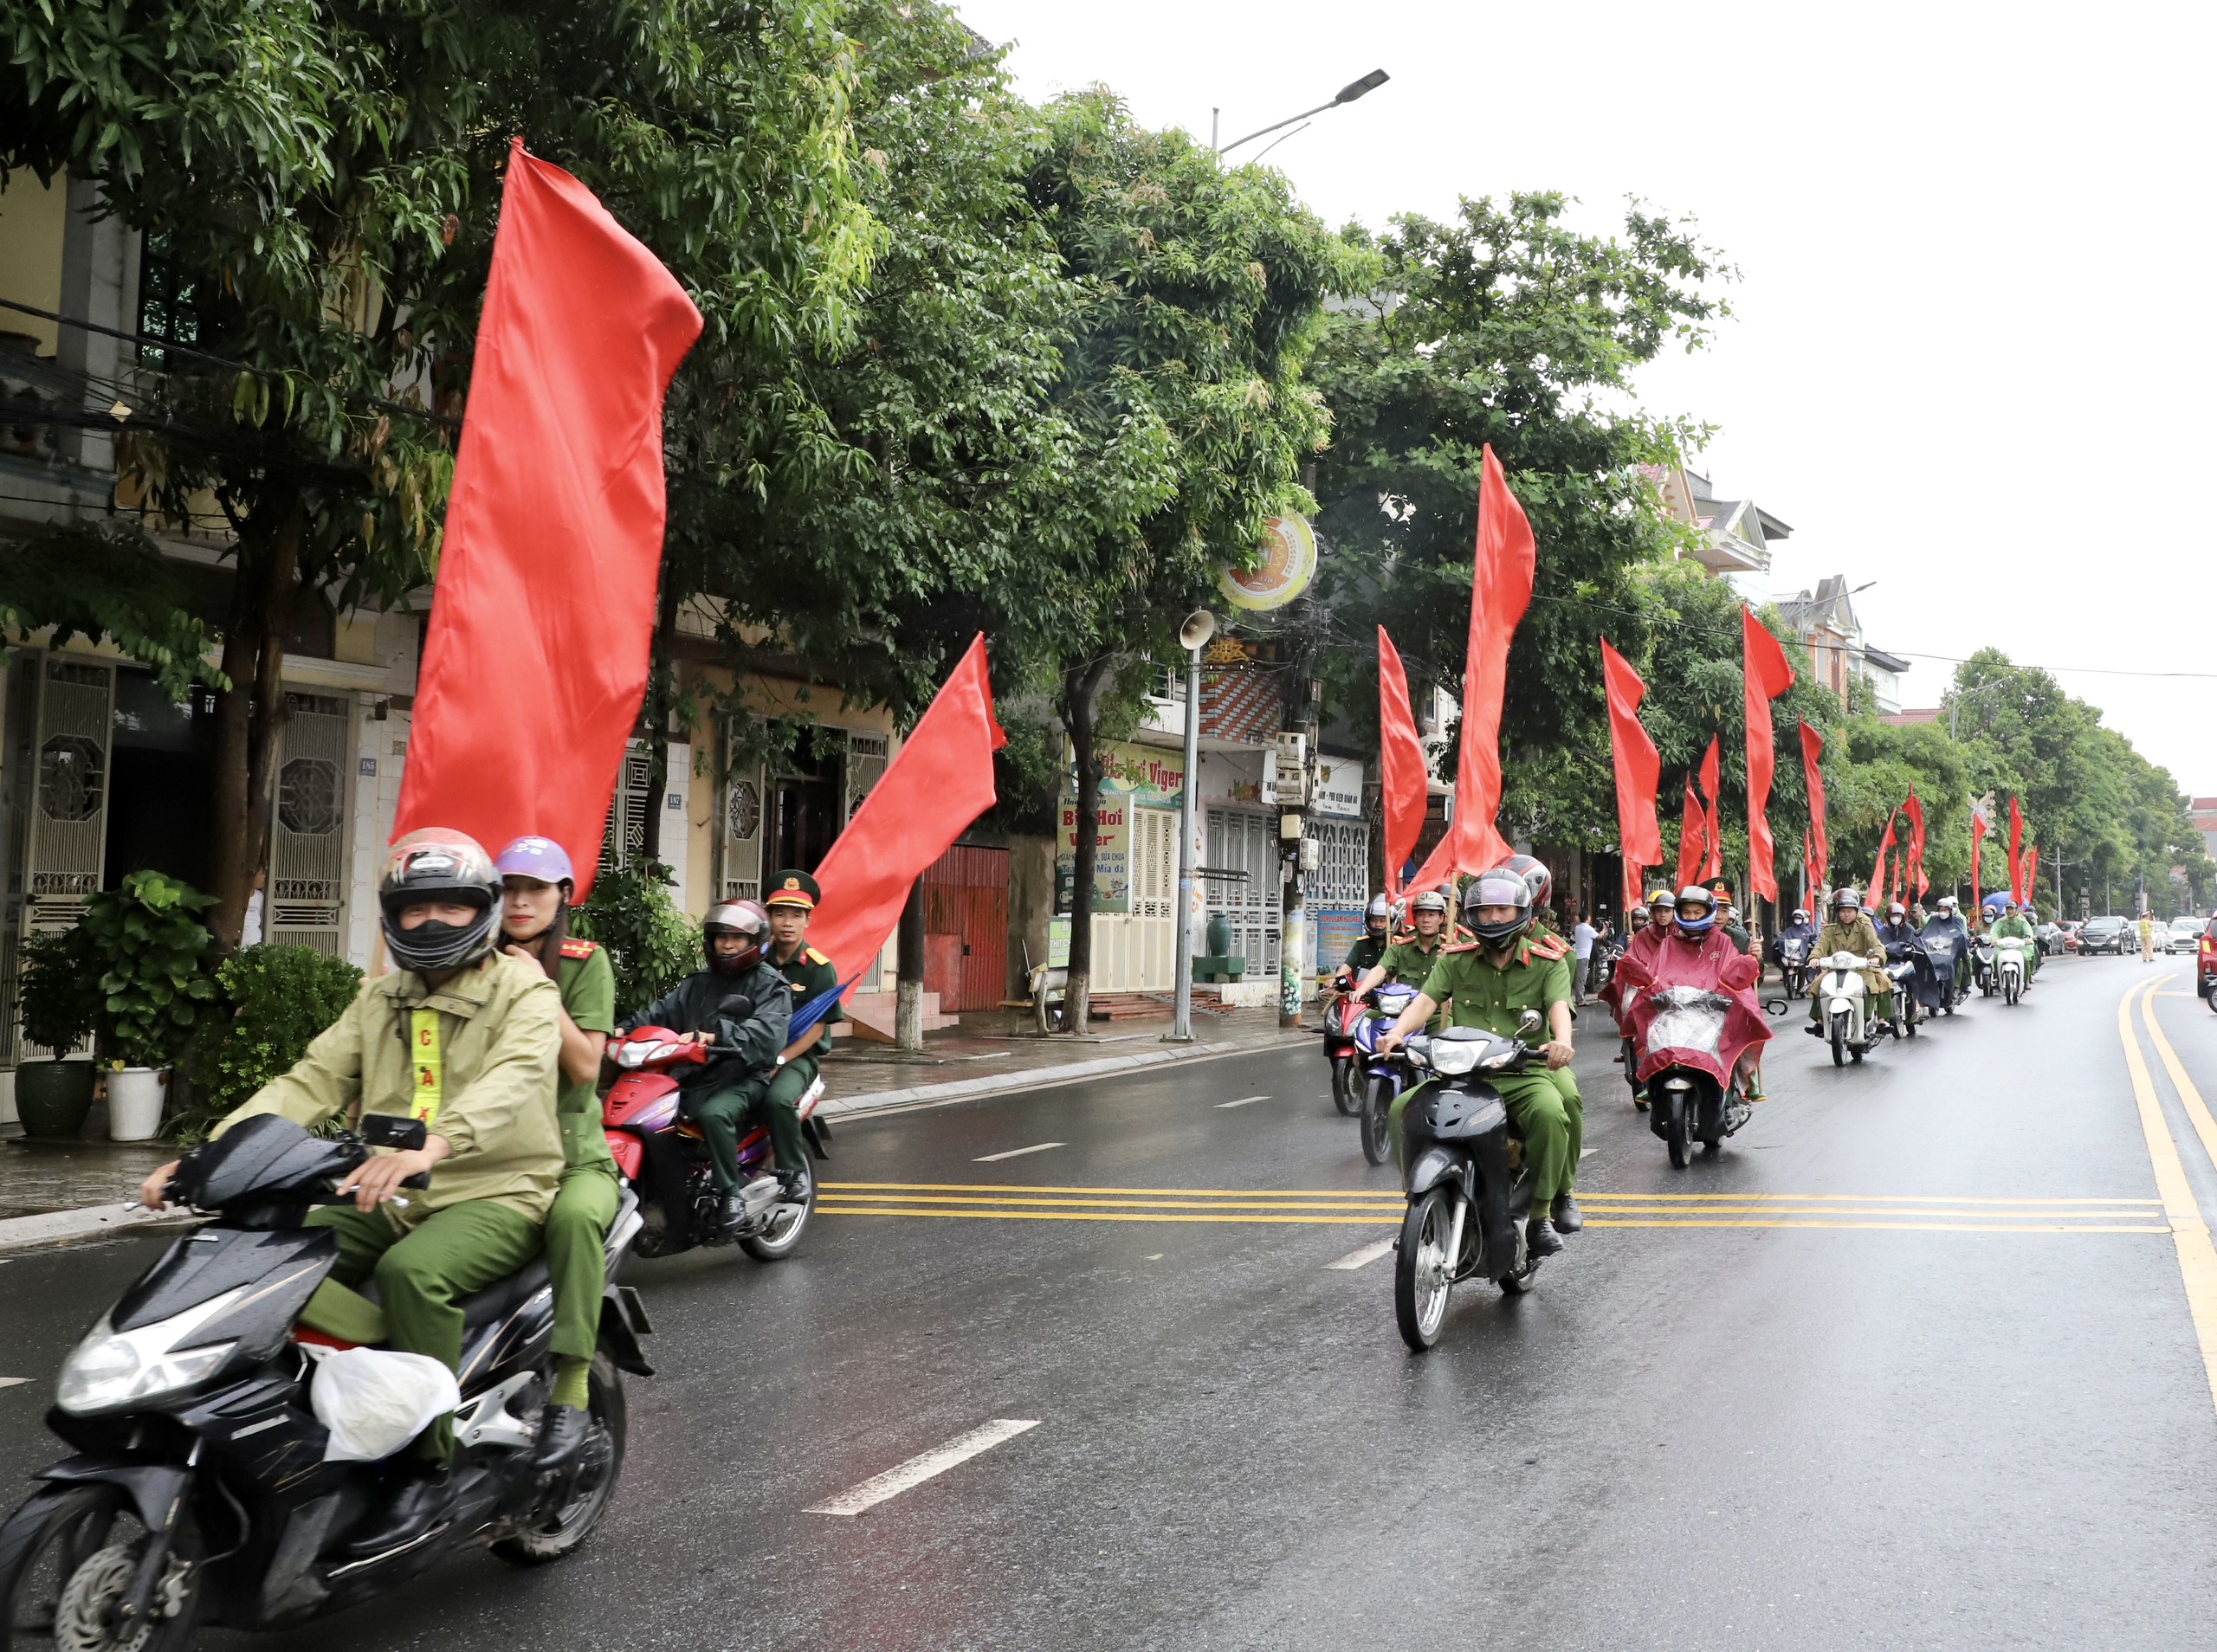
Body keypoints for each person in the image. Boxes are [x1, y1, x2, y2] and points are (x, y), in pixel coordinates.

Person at [139, 829, 564, 1556]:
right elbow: (310, 1082)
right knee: (277, 1261)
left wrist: (436, 1142)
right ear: (391, 917)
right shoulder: (381, 999)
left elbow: (515, 1078)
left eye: (452, 908)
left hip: (496, 1189)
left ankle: (430, 1464)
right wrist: (204, 1157)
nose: (432, 922)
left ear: (483, 911)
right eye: (414, 909)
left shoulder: (524, 989)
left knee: (413, 1275)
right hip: (383, 1187)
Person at [1379, 862, 1582, 1256]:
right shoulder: (1455, 958)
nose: (1493, 917)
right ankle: (1417, 1204)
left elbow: (1559, 1006)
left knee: (1554, 1112)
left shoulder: (1548, 959)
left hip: (1523, 1072)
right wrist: (1397, 1033)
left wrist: (1562, 1042)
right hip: (1462, 1074)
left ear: (1521, 912)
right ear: (1472, 914)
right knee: (1400, 1109)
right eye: (1485, 910)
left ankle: (1542, 1214)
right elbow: (1424, 1002)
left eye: (1502, 909)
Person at [494, 835, 617, 1473]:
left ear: (562, 896)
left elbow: (585, 1067)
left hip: (575, 1155)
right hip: (488, 1154)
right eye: (509, 888)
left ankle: (570, 1385)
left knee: (572, 1220)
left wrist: (534, 984)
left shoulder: (581, 962)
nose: (519, 901)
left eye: (535, 889)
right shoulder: (470, 958)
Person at [620, 898, 794, 1226]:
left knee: (715, 1114)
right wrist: (620, 1029)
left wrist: (715, 1035)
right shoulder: (698, 984)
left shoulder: (771, 985)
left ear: (755, 942)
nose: (727, 945)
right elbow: (660, 1013)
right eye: (720, 937)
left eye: (737, 938)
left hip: (742, 1077)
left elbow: (768, 1035)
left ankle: (730, 1195)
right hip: (695, 1075)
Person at [759, 868, 843, 1167]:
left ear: (808, 920)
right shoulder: (757, 962)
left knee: (777, 1100)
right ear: (769, 918)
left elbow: (817, 1029)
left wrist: (780, 1060)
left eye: (796, 915)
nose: (787, 923)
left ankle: (792, 1171)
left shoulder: (819, 969)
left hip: (798, 1058)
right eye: (780, 914)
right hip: (756, 1051)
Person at [1354, 889, 1457, 1029]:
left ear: (1441, 918)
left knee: (1446, 1040)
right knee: (1364, 1024)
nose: (1425, 920)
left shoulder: (1450, 948)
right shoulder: (1400, 947)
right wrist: (1362, 989)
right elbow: (1380, 969)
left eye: (1431, 915)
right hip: (1402, 1012)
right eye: (1420, 915)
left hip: (1437, 1014)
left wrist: (1452, 958)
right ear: (1415, 918)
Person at [1808, 885, 1891, 1031]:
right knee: (1818, 983)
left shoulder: (1865, 926)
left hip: (1862, 968)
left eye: (1850, 911)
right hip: (1836, 968)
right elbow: (1820, 946)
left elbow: (1875, 943)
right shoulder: (1830, 930)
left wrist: (1877, 957)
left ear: (1856, 911)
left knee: (1880, 982)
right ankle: (1820, 1022)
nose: (1846, 915)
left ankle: (1881, 1021)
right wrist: (1814, 957)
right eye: (1843, 911)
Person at [1341, 894, 1393, 980]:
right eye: (1373, 920)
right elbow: (1348, 965)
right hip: (1365, 989)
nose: (1377, 925)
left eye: (1383, 921)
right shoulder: (1363, 944)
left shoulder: (1397, 945)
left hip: (1391, 990)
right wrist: (1337, 979)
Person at [1991, 898, 2041, 984]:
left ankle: (2026, 979)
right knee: (1995, 958)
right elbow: (1994, 931)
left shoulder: (2022, 921)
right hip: (2004, 947)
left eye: (2012, 909)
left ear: (2016, 910)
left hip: (2020, 947)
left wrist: (2028, 939)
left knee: (2026, 958)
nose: (2009, 911)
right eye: (2008, 909)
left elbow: (2028, 932)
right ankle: (1997, 977)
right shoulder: (2001, 922)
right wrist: (1994, 940)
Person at [1569, 907, 1599, 1006]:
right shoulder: (1588, 929)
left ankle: (1578, 997)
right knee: (1581, 978)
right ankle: (1580, 1000)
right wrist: (1605, 929)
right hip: (1584, 956)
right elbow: (1599, 936)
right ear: (1588, 918)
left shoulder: (1578, 928)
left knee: (1577, 978)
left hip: (1576, 954)